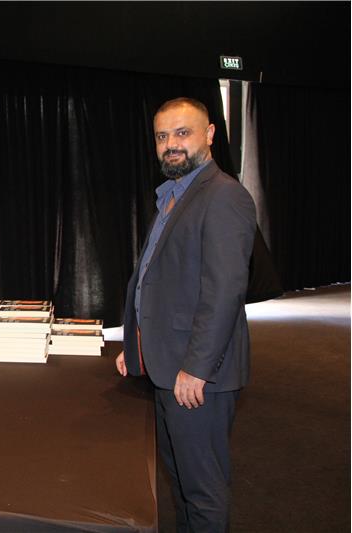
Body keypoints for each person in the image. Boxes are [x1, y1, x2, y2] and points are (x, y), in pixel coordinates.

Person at [115, 97, 256, 532]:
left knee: (202, 489)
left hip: (197, 376)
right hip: (167, 365)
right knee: (179, 481)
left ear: (209, 135)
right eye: (162, 136)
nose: (171, 144)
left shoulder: (224, 196)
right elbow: (162, 283)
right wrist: (137, 342)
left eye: (182, 133)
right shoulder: (173, 195)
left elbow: (224, 291)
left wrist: (197, 368)